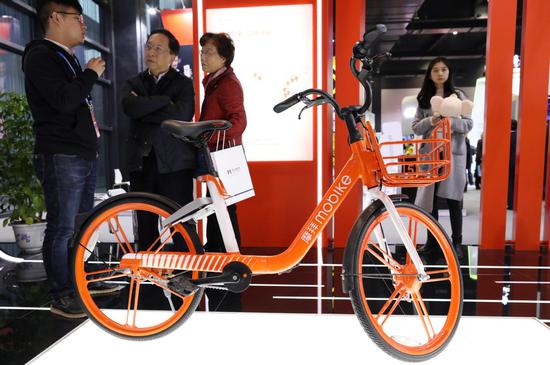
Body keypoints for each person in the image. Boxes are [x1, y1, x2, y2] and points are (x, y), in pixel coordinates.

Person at [23, 0, 107, 318]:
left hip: (81, 153)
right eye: (78, 17)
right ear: (56, 18)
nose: (84, 24)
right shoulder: (41, 55)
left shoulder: (68, 57)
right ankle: (61, 294)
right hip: (61, 154)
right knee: (61, 229)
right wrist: (88, 75)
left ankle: (78, 282)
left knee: (79, 227)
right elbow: (63, 101)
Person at [122, 29, 195, 251]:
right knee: (145, 222)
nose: (150, 52)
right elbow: (130, 108)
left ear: (173, 56)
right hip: (141, 162)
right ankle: (147, 276)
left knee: (181, 221)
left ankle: (188, 272)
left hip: (174, 164)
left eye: (158, 48)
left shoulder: (183, 83)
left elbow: (182, 115)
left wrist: (145, 106)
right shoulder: (134, 81)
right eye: (148, 47)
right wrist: (165, 102)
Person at [199, 32, 247, 311]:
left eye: (208, 52)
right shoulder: (216, 81)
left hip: (225, 157)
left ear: (223, 58)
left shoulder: (227, 83)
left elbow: (238, 122)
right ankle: (221, 259)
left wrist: (208, 137)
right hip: (219, 155)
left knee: (226, 211)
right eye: (203, 51)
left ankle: (229, 262)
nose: (203, 56)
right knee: (222, 211)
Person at [412, 57, 473, 260]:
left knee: (454, 199)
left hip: (452, 155)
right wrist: (432, 120)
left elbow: (468, 124)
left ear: (449, 72)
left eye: (443, 69)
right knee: (430, 201)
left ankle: (457, 243)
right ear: (430, 74)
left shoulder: (459, 96)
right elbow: (415, 127)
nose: (440, 73)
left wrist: (450, 122)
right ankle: (433, 242)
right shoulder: (423, 99)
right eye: (435, 70)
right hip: (431, 155)